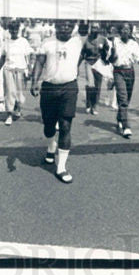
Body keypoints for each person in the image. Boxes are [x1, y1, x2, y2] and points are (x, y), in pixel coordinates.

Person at [30, 18, 84, 184]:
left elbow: (87, 53)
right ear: (56, 26)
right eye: (62, 24)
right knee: (48, 126)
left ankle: (61, 167)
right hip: (49, 88)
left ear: (73, 27)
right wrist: (34, 82)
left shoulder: (78, 42)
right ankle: (51, 146)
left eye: (69, 25)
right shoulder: (47, 43)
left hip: (69, 88)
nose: (65, 27)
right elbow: (39, 63)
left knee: (66, 125)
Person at [0, 19, 33, 125]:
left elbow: (28, 56)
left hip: (21, 70)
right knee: (9, 92)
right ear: (9, 30)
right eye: (12, 29)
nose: (14, 31)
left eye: (15, 29)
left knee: (19, 93)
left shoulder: (23, 41)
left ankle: (17, 108)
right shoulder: (7, 42)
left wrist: (30, 69)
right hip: (8, 69)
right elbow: (2, 58)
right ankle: (9, 114)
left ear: (18, 30)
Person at [107, 23, 139, 138]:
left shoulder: (133, 44)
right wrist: (112, 53)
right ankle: (126, 126)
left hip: (130, 72)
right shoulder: (115, 42)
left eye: (127, 29)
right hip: (118, 71)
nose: (125, 31)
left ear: (130, 31)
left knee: (126, 99)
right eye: (123, 29)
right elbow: (110, 59)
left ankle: (120, 118)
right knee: (122, 98)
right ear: (119, 31)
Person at [79, 25, 106, 114]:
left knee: (98, 86)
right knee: (91, 85)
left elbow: (107, 52)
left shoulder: (102, 39)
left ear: (99, 29)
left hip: (99, 64)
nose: (95, 29)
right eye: (93, 27)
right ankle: (88, 103)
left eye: (97, 27)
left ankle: (95, 106)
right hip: (89, 62)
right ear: (91, 29)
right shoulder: (86, 39)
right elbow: (82, 54)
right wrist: (77, 65)